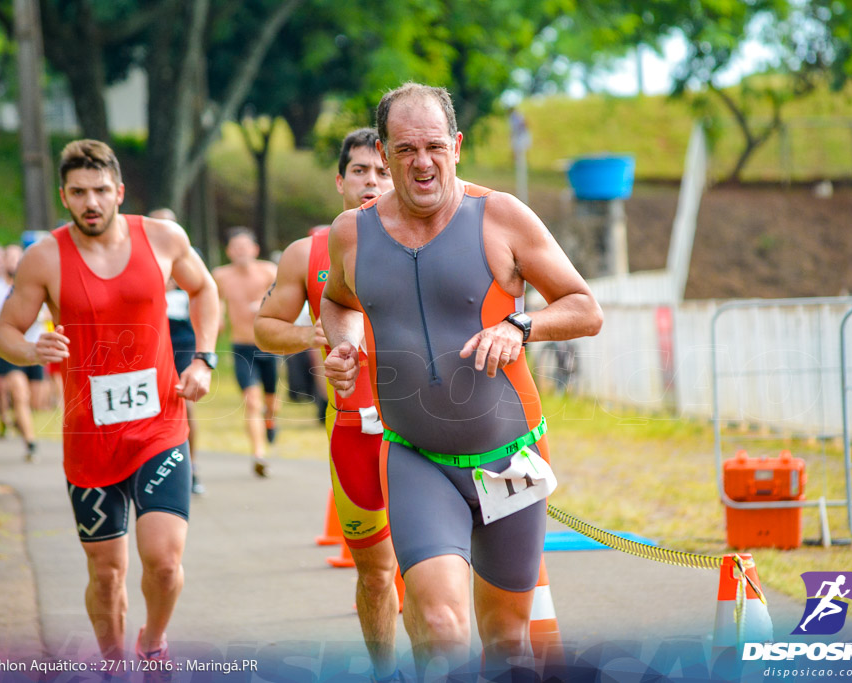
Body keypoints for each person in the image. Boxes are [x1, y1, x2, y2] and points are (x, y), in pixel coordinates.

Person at [321, 83, 603, 678]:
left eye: (433, 147)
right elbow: (337, 301)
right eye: (404, 150)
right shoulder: (352, 232)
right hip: (416, 458)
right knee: (443, 627)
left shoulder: (499, 216)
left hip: (509, 460)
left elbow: (584, 307)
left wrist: (520, 326)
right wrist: (345, 345)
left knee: (504, 641)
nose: (422, 163)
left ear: (456, 145)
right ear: (383, 149)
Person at [0, 139, 220, 663]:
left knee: (163, 563)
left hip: (160, 427)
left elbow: (205, 290)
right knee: (107, 573)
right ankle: (114, 663)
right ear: (64, 196)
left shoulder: (162, 238)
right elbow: (5, 330)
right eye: (78, 192)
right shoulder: (43, 257)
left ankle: (154, 642)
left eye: (99, 190)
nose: (90, 201)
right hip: (89, 441)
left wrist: (203, 360)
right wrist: (31, 348)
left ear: (119, 190)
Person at [254, 128, 400, 681]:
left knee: (438, 569)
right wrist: (315, 335)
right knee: (375, 574)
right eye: (360, 171)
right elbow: (265, 327)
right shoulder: (307, 253)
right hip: (353, 434)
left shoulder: (429, 238)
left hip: (425, 432)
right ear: (340, 180)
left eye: (381, 171)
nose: (371, 182)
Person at [212, 227, 278, 476]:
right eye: (235, 247)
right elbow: (215, 299)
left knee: (271, 403)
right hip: (241, 347)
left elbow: (285, 297)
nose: (240, 251)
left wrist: (262, 302)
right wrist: (218, 316)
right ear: (229, 251)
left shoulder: (269, 271)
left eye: (245, 246)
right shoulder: (220, 275)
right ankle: (259, 454)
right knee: (252, 403)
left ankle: (271, 421)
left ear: (255, 249)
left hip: (268, 344)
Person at [150, 207, 204, 495]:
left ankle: (192, 468)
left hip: (182, 338)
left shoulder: (188, 254)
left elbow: (203, 292)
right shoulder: (139, 252)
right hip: (152, 337)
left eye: (169, 224)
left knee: (185, 404)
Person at [0, 244, 38, 459]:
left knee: (35, 400)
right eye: (9, 258)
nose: (12, 262)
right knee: (19, 392)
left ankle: (18, 420)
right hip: (10, 348)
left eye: (17, 258)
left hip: (36, 347)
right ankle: (31, 443)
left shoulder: (33, 285)